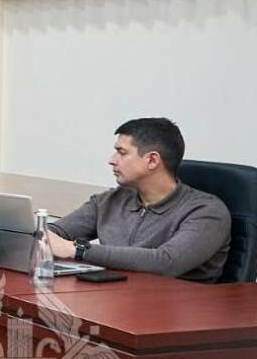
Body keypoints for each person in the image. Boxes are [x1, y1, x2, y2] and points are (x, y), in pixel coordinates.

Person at [47, 118, 230, 282]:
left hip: (176, 305)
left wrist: (78, 250)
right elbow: (54, 232)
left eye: (122, 152)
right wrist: (43, 237)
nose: (112, 160)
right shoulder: (110, 200)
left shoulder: (207, 212)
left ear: (152, 160)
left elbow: (167, 262)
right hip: (116, 298)